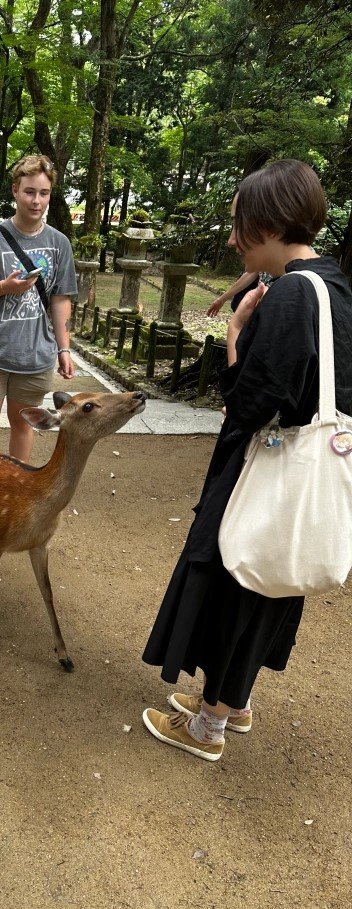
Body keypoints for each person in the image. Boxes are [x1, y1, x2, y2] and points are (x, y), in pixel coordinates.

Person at [142, 159, 352, 762]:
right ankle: (234, 703)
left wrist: (236, 334)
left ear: (268, 223)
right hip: (306, 483)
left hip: (263, 470)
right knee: (270, 583)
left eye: (239, 227)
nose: (233, 241)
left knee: (234, 576)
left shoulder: (288, 297)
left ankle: (208, 725)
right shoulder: (335, 285)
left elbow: (251, 404)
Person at [0, 155, 77, 462]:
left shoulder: (59, 243)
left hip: (35, 354)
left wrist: (64, 350)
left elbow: (60, 299)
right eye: (29, 192)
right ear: (15, 190)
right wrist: (4, 287)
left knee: (23, 424)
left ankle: (16, 489)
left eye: (43, 193)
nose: (36, 201)